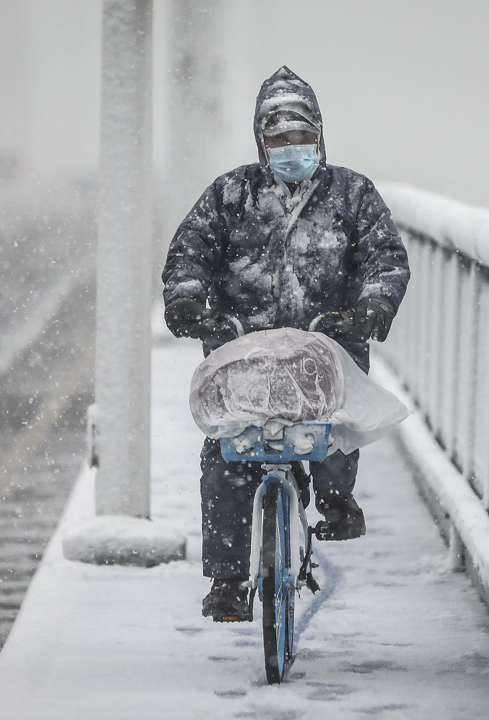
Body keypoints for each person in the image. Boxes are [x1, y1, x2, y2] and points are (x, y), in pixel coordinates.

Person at [161, 66, 410, 622]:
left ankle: (336, 499)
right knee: (227, 456)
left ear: (319, 136)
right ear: (260, 141)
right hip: (241, 350)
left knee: (333, 430)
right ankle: (226, 581)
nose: (291, 148)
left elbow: (384, 257)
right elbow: (189, 255)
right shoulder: (228, 196)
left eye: (302, 137)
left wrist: (373, 303)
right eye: (279, 139)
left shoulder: (353, 194)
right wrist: (188, 301)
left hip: (327, 343)